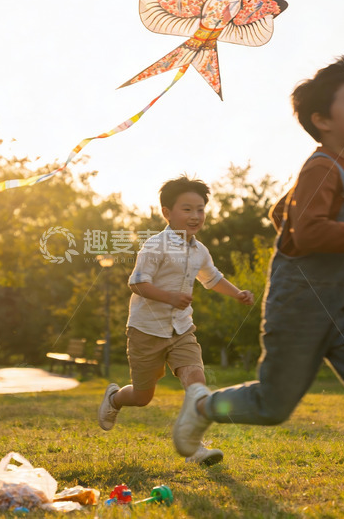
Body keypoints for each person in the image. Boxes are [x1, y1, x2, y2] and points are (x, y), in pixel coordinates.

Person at [171, 57, 344, 518]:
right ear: (322, 120)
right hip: (300, 305)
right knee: (272, 405)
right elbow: (309, 235)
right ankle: (204, 407)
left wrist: (289, 215)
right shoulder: (322, 166)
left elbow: (285, 217)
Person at [97, 176, 255, 465]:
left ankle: (195, 447)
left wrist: (237, 293)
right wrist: (170, 297)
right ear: (167, 212)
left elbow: (212, 278)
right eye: (187, 209)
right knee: (143, 396)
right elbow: (138, 283)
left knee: (196, 380)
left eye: (201, 209)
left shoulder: (200, 251)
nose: (195, 216)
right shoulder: (155, 246)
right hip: (146, 329)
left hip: (182, 328)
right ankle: (115, 399)